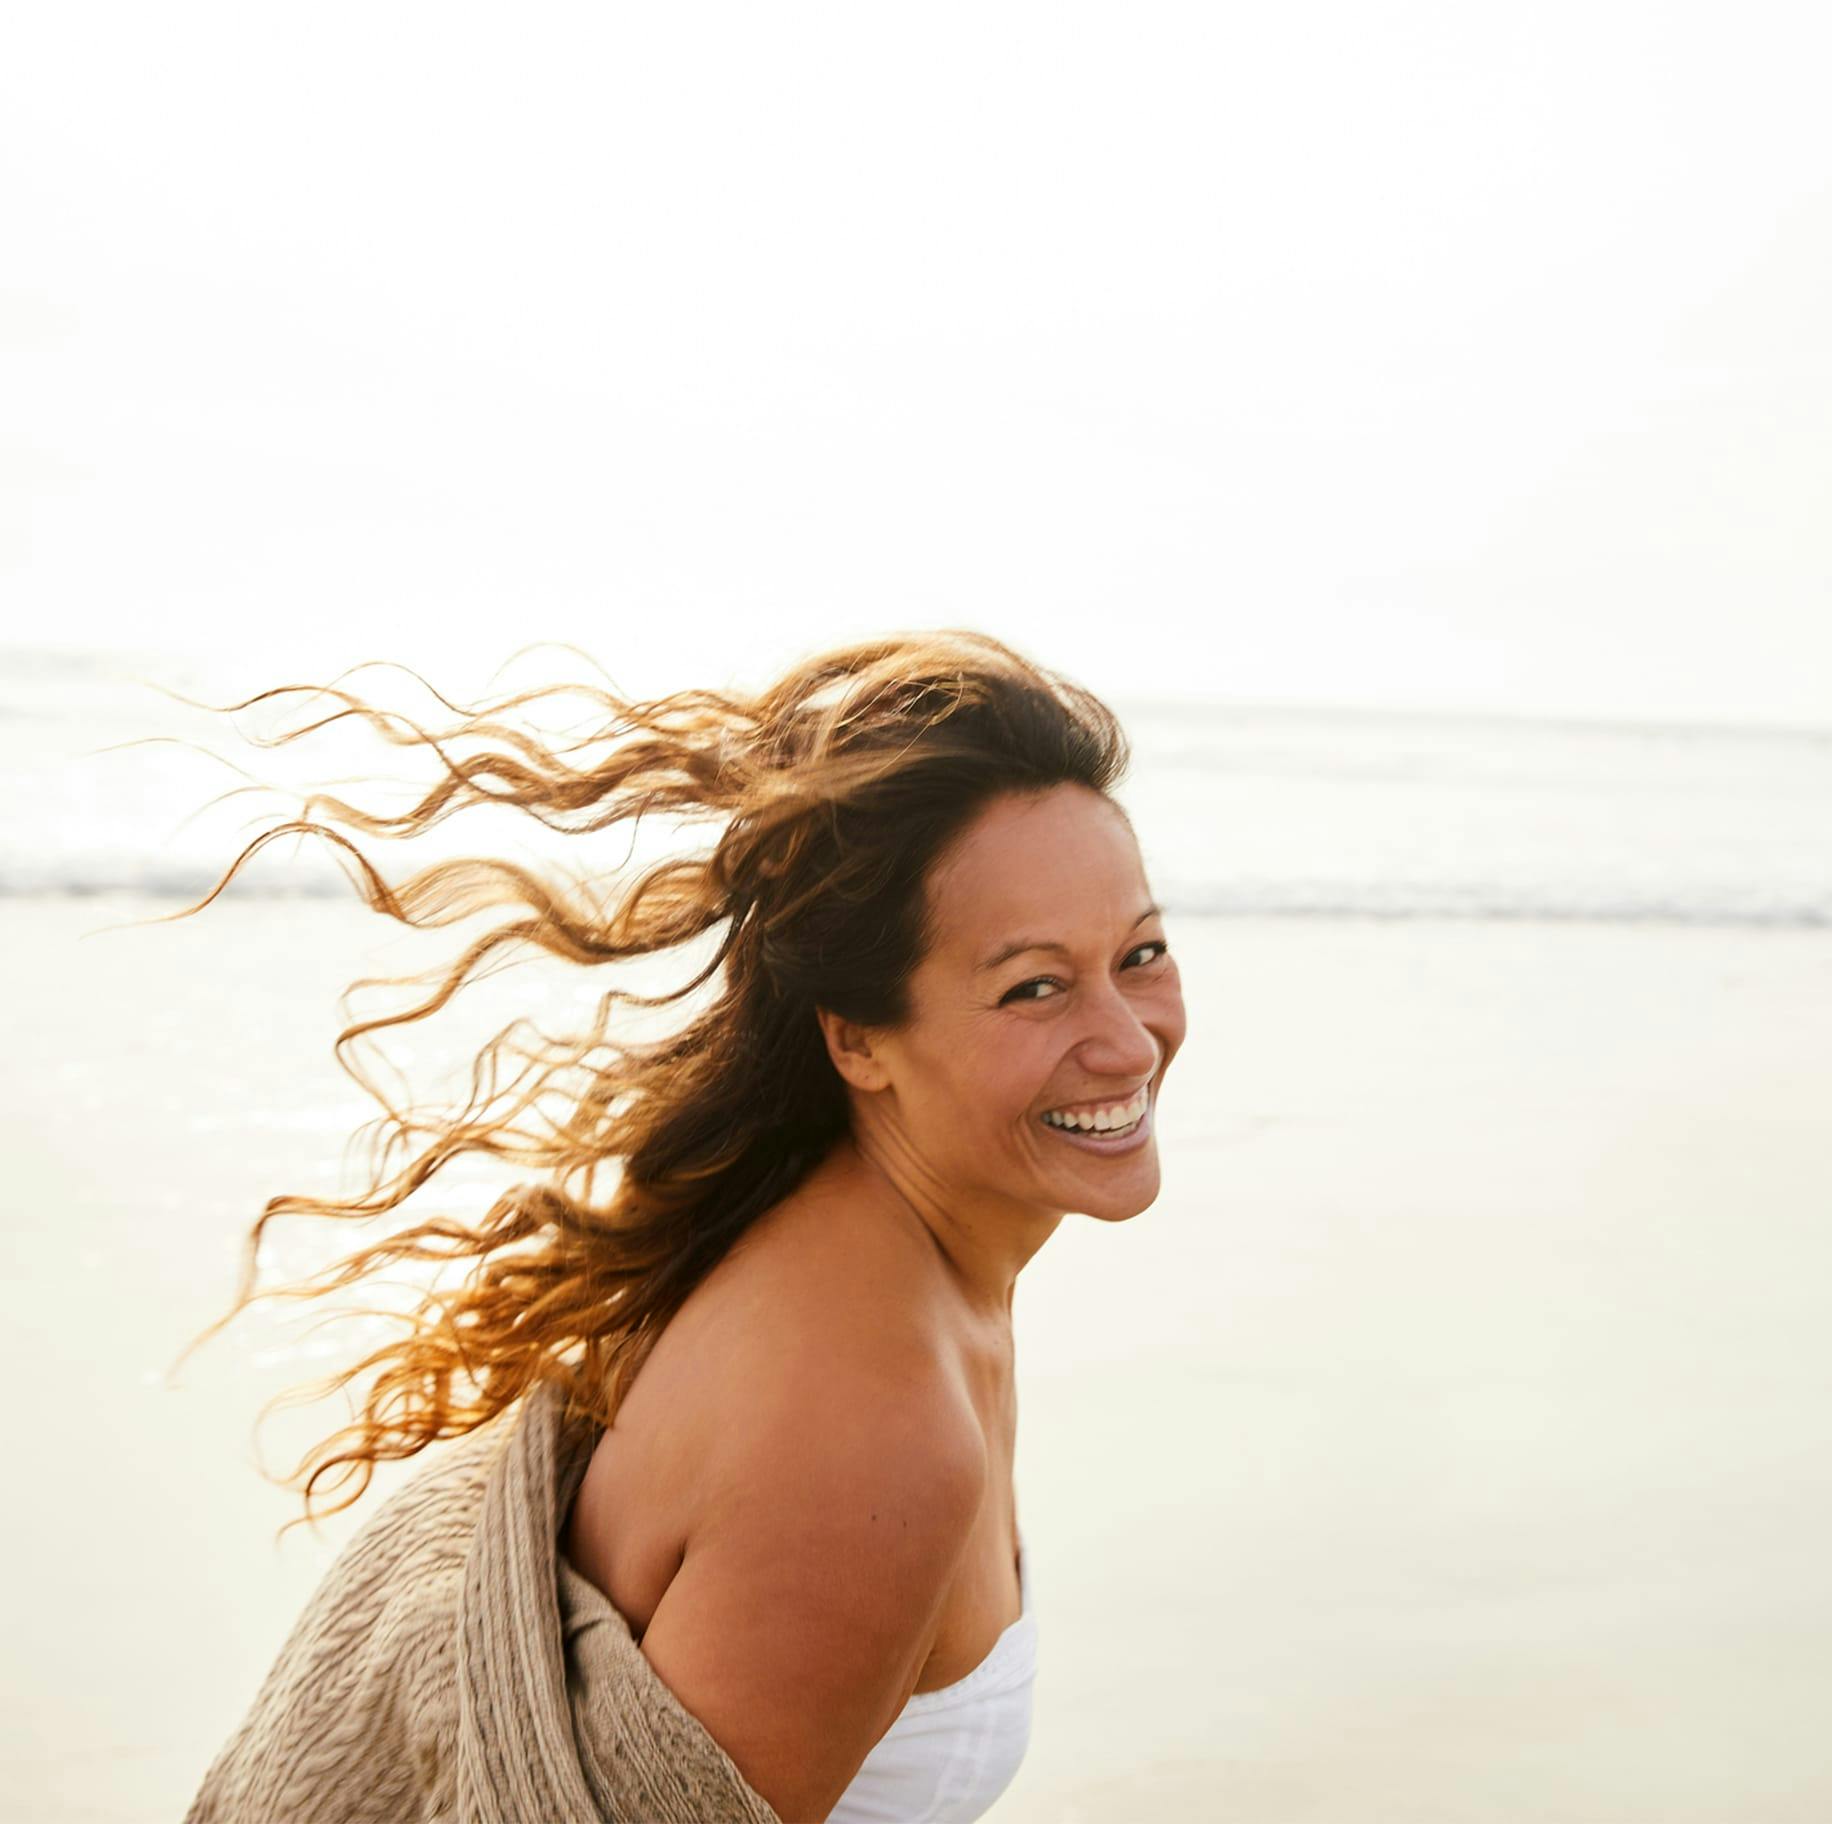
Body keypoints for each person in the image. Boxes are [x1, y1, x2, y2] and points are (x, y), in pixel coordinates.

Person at [178, 628, 1188, 1824]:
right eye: (1032, 985)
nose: (1125, 1037)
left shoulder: (875, 1267)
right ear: (856, 1038)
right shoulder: (872, 1430)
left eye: (1140, 953)